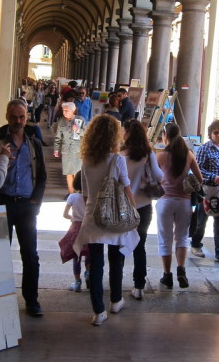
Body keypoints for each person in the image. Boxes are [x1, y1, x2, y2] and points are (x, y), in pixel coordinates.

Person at [73, 114, 139, 326]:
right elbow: (127, 188)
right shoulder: (117, 159)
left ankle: (98, 311)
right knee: (116, 259)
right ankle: (116, 300)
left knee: (95, 263)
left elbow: (84, 194)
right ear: (113, 135)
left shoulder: (86, 161)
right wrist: (133, 207)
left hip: (93, 216)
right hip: (114, 215)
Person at [0, 99, 47, 317]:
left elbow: (41, 175)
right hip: (3, 202)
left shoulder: (33, 140)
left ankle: (32, 300)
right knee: (0, 253)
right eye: (13, 117)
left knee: (30, 254)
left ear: (26, 117)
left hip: (26, 205)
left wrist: (35, 202)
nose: (18, 121)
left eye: (21, 117)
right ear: (7, 117)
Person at [155, 122, 203, 289]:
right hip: (184, 202)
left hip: (165, 201)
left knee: (165, 239)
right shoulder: (188, 155)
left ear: (165, 136)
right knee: (182, 237)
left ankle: (167, 275)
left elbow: (153, 178)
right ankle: (181, 270)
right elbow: (200, 179)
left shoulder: (160, 156)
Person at [120, 119, 163, 300]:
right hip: (144, 206)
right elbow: (159, 176)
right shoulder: (148, 154)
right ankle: (139, 286)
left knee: (119, 245)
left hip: (123, 206)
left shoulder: (119, 155)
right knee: (140, 246)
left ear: (128, 133)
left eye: (124, 130)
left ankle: (116, 281)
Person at [190, 120, 219, 265]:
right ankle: (196, 245)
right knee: (201, 221)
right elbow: (198, 169)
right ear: (211, 134)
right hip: (207, 190)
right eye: (216, 132)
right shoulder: (205, 149)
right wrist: (212, 177)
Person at [59, 171, 90, 291]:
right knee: (89, 253)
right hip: (88, 228)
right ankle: (88, 273)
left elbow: (65, 214)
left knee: (76, 256)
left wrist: (73, 218)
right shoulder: (91, 197)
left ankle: (77, 282)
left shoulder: (72, 197)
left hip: (75, 228)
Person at [54, 102, 85, 195]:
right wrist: (56, 149)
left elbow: (86, 133)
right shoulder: (61, 121)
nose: (64, 112)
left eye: (66, 110)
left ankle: (78, 192)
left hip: (78, 150)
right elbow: (58, 137)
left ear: (73, 110)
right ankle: (71, 193)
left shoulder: (80, 119)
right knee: (68, 173)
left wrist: (78, 130)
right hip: (66, 150)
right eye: (63, 110)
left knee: (77, 172)